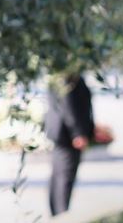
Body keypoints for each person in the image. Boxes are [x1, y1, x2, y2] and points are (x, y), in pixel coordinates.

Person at [45, 72, 107, 215]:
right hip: (67, 136)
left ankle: (57, 211)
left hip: (59, 133)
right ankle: (61, 214)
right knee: (65, 176)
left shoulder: (57, 74)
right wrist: (77, 133)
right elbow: (69, 104)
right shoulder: (68, 76)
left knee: (59, 174)